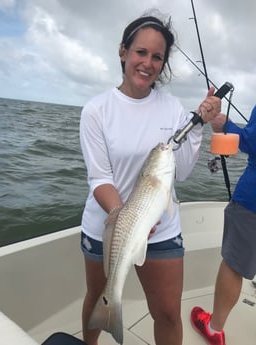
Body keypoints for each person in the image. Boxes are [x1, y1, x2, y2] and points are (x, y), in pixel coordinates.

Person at [79, 11, 221, 345]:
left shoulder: (172, 109)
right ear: (123, 51)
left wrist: (198, 125)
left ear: (163, 64)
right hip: (106, 225)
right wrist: (123, 217)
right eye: (141, 52)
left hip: (162, 231)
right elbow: (99, 178)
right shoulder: (96, 110)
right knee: (97, 296)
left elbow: (182, 171)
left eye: (157, 57)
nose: (148, 62)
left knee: (169, 313)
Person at [190, 106, 256, 345]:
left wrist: (225, 126)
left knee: (234, 265)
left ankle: (214, 328)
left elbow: (253, 142)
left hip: (252, 203)